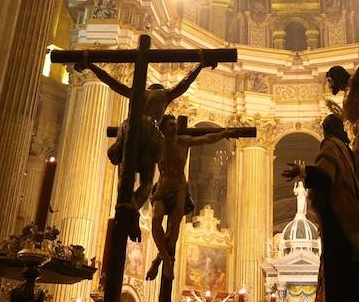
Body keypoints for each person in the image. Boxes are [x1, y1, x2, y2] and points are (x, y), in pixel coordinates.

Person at [78, 58, 215, 210]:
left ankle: (124, 202)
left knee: (124, 177)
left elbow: (110, 81)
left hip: (128, 128)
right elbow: (185, 83)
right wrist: (201, 64)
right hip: (150, 129)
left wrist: (91, 65)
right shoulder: (165, 94)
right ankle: (133, 208)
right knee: (147, 181)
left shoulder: (136, 93)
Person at [283, 113, 359, 302]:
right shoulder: (345, 150)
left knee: (338, 262)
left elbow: (326, 176)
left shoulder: (330, 146)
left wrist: (302, 171)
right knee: (350, 264)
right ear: (337, 129)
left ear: (327, 131)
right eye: (342, 128)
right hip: (351, 213)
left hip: (339, 214)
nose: (345, 131)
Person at [145, 116, 248, 280]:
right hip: (163, 186)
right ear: (164, 128)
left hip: (179, 187)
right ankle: (164, 259)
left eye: (174, 124)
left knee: (175, 227)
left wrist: (224, 133)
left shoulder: (183, 141)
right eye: (171, 125)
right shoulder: (158, 144)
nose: (174, 127)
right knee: (156, 220)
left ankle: (159, 261)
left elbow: (207, 138)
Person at [324, 25, 359, 232]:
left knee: (354, 178)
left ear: (337, 76)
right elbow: (351, 115)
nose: (330, 86)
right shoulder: (348, 94)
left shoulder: (354, 83)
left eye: (330, 81)